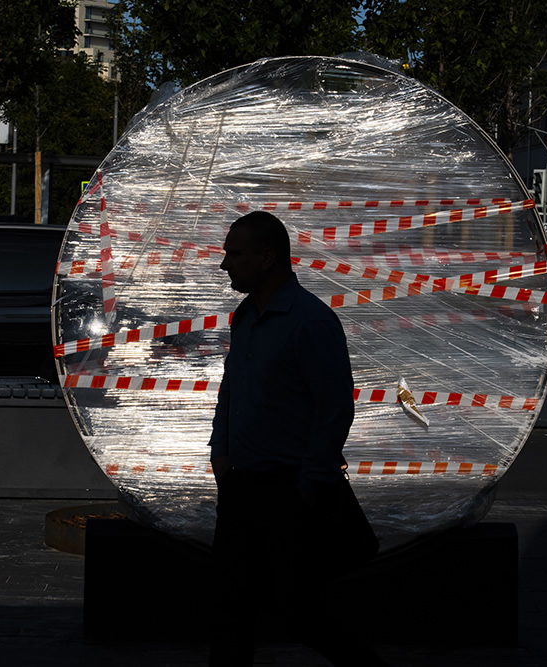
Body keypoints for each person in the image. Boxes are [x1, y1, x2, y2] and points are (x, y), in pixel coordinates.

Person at [207, 211, 385, 666]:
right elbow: (232, 389)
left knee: (299, 611)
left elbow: (334, 408)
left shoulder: (310, 322)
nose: (225, 264)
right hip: (242, 484)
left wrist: (310, 482)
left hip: (288, 490)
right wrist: (220, 452)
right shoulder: (245, 317)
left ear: (267, 258)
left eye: (235, 254)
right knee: (230, 610)